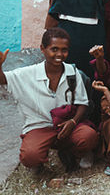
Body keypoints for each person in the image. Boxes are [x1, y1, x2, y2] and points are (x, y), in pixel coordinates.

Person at [0, 29, 98, 173]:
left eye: (64, 50)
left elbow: (83, 103)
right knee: (30, 156)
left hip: (66, 124)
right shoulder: (28, 73)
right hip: (40, 126)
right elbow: (4, 80)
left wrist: (73, 122)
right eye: (54, 49)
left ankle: (74, 151)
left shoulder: (72, 72)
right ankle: (39, 160)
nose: (59, 54)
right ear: (42, 49)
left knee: (88, 136)